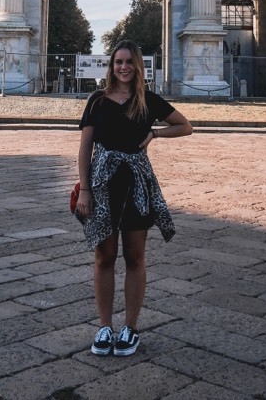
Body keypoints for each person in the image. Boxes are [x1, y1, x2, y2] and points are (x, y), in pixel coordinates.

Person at [76, 40, 192, 357]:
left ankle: (130, 327)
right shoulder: (97, 101)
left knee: (135, 256)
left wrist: (155, 133)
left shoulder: (148, 100)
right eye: (118, 62)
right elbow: (85, 148)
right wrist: (84, 188)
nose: (123, 67)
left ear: (138, 66)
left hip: (136, 185)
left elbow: (185, 126)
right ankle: (104, 327)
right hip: (102, 185)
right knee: (104, 255)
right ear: (111, 66)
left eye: (129, 62)